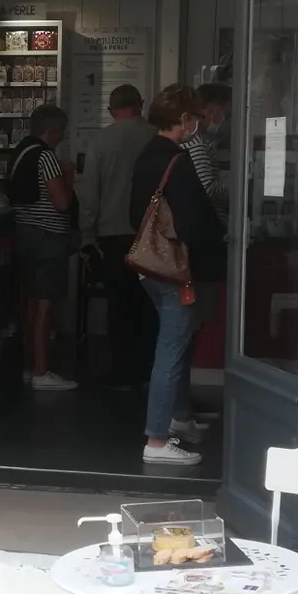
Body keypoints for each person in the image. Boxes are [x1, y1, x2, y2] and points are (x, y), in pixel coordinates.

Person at [130, 85, 228, 465]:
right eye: (195, 118)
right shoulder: (178, 160)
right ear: (184, 120)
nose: (197, 125)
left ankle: (181, 418)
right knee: (171, 350)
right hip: (177, 269)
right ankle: (156, 440)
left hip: (150, 267)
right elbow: (194, 224)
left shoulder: (146, 157)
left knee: (177, 343)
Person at [78, 84, 159, 389]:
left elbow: (89, 196)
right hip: (152, 234)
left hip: (112, 236)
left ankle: (123, 372)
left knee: (119, 306)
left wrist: (87, 237)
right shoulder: (157, 136)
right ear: (141, 104)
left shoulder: (101, 141)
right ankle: (151, 371)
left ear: (111, 110)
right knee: (150, 306)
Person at [9, 104, 77, 391]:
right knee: (45, 305)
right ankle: (42, 371)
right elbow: (61, 202)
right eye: (61, 132)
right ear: (51, 130)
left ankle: (28, 367)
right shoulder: (47, 157)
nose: (62, 137)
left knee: (30, 303)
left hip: (24, 235)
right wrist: (69, 177)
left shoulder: (20, 152)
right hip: (49, 239)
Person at [181, 82, 230, 223]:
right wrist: (237, 190)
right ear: (209, 109)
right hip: (209, 221)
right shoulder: (198, 144)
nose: (227, 121)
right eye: (226, 114)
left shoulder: (199, 141)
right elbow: (207, 187)